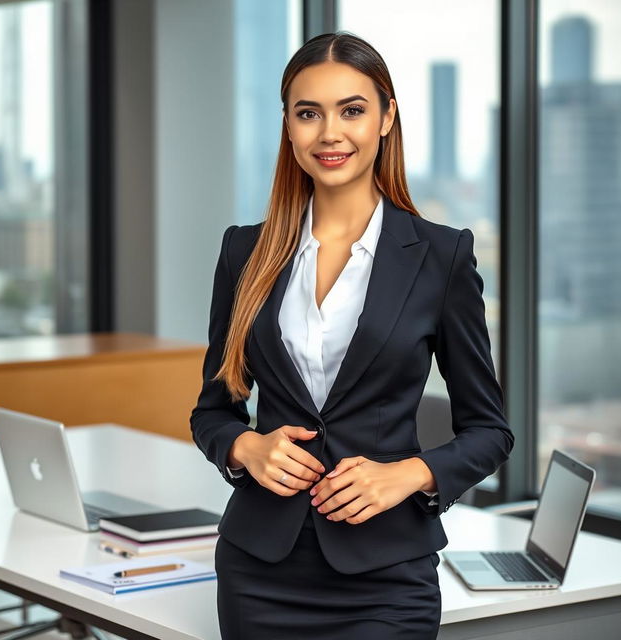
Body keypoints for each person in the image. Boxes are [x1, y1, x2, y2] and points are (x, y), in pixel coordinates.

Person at [190, 31, 514, 640]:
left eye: (352, 110)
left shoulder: (441, 257)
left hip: (386, 577)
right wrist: (244, 449)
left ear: (387, 118)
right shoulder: (244, 252)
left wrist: (410, 474)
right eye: (308, 113)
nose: (329, 133)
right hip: (258, 571)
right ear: (288, 126)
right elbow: (213, 411)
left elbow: (490, 432)